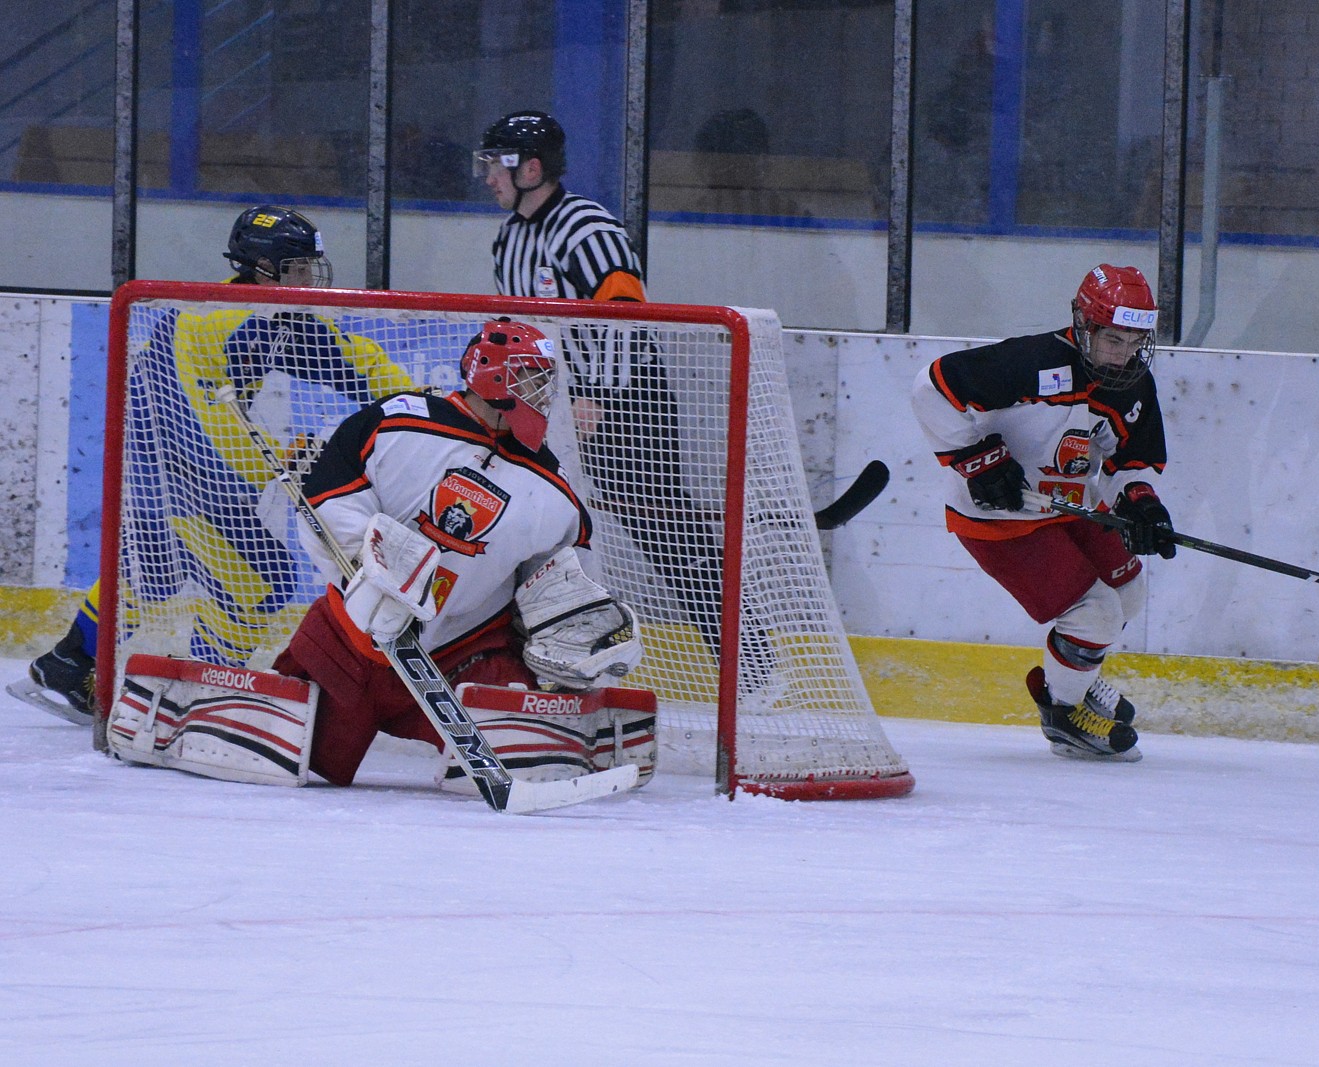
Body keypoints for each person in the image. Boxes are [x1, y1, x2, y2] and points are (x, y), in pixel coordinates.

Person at [11, 206, 413, 724]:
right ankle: (199, 688)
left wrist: (421, 401)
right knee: (262, 579)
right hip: (173, 463)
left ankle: (68, 663)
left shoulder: (246, 307)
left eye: (310, 266)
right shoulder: (231, 320)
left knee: (156, 570)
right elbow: (198, 420)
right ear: (262, 268)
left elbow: (351, 360)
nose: (308, 278)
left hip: (157, 459)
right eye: (296, 268)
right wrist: (281, 460)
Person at [269, 319, 643, 787]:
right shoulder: (395, 422)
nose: (544, 393)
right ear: (495, 374)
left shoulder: (554, 488)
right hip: (355, 643)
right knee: (291, 758)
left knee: (524, 750)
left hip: (463, 654)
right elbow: (331, 498)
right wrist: (372, 574)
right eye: (533, 378)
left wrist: (571, 629)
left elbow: (559, 582)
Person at [474, 109, 776, 687]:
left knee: (667, 535)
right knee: (536, 528)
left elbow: (626, 313)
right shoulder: (509, 237)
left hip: (626, 402)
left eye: (496, 165)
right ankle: (531, 661)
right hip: (552, 408)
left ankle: (752, 665)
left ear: (530, 169)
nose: (487, 177)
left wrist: (594, 395)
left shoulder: (588, 229)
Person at [910, 264, 1176, 762]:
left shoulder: (1131, 383)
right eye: (1113, 340)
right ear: (1083, 324)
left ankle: (1074, 679)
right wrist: (978, 460)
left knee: (1128, 592)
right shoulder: (1028, 362)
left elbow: (1133, 457)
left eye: (1134, 342)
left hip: (1069, 507)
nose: (1123, 356)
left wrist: (1141, 502)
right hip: (999, 520)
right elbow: (932, 390)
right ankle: (1064, 713)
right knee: (1095, 615)